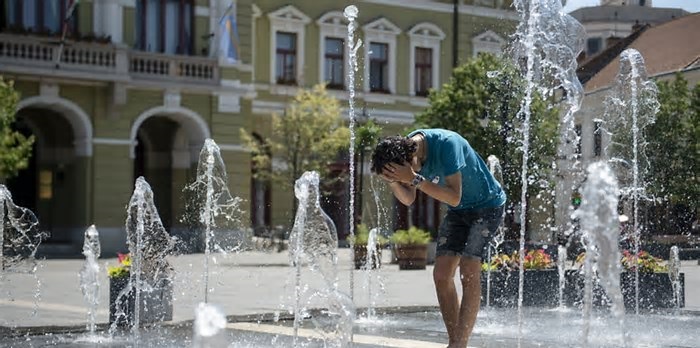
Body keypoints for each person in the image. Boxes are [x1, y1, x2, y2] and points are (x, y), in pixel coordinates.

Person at [370, 128, 506, 348]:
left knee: (469, 270)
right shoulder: (406, 155)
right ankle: (456, 343)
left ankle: (459, 344)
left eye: (399, 173)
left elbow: (453, 197)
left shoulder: (447, 145)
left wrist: (413, 178)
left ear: (411, 157)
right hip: (459, 212)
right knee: (441, 275)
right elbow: (408, 199)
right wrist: (394, 181)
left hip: (487, 205)